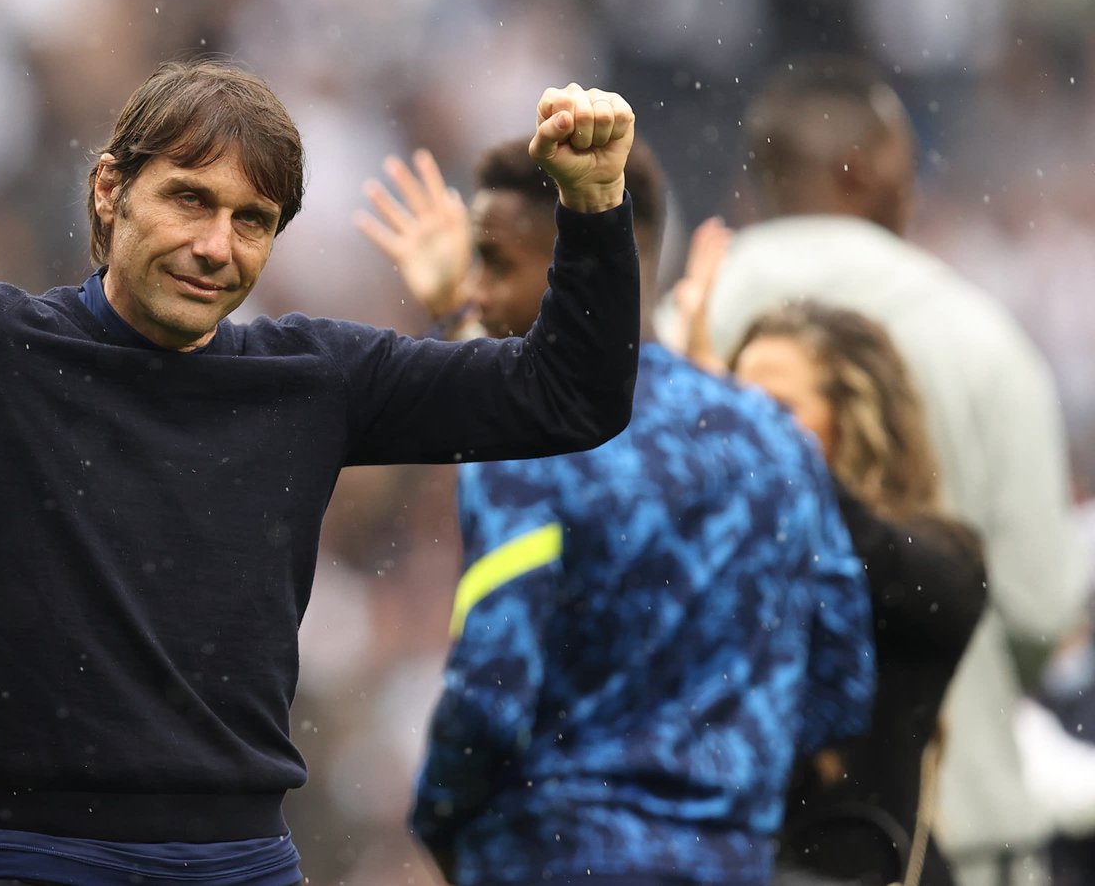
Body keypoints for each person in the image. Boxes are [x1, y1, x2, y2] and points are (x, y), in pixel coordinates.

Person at [0, 0, 643, 886]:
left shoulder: (317, 376)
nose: (215, 246)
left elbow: (572, 395)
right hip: (38, 859)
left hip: (242, 862)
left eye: (252, 219)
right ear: (111, 190)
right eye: (190, 199)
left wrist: (595, 204)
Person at [355, 138, 875, 885]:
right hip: (732, 862)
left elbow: (491, 698)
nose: (485, 295)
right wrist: (722, 793)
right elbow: (841, 678)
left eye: (497, 264)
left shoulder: (528, 447)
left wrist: (440, 819)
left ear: (582, 261)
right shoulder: (772, 439)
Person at [695, 56, 1089, 886]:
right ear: (862, 170)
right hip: (957, 827)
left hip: (717, 839)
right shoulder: (983, 336)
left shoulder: (676, 328)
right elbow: (1034, 607)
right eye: (909, 170)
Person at [725, 301, 987, 886]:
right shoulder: (724, 552)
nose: (746, 430)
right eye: (736, 406)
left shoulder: (939, 557)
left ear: (857, 417)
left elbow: (889, 564)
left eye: (778, 410)